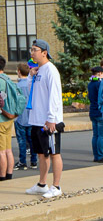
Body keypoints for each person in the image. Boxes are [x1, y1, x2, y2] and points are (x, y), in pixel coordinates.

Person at [24, 40, 64, 199]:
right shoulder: (37, 70)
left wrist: (51, 119)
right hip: (37, 119)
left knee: (54, 153)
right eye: (31, 49)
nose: (32, 53)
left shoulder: (50, 70)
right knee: (41, 153)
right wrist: (30, 75)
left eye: (35, 50)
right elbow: (31, 91)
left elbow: (54, 96)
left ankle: (56, 186)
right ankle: (42, 184)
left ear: (44, 52)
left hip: (49, 121)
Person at [14, 63, 38, 171]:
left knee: (22, 141)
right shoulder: (32, 84)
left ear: (19, 71)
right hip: (31, 117)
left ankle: (22, 161)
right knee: (32, 140)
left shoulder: (17, 86)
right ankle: (34, 161)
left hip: (20, 117)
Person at [87, 66, 103, 163]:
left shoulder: (90, 84)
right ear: (100, 73)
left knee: (95, 135)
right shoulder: (100, 84)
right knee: (102, 135)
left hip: (92, 111)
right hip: (100, 111)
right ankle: (101, 155)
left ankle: (96, 155)